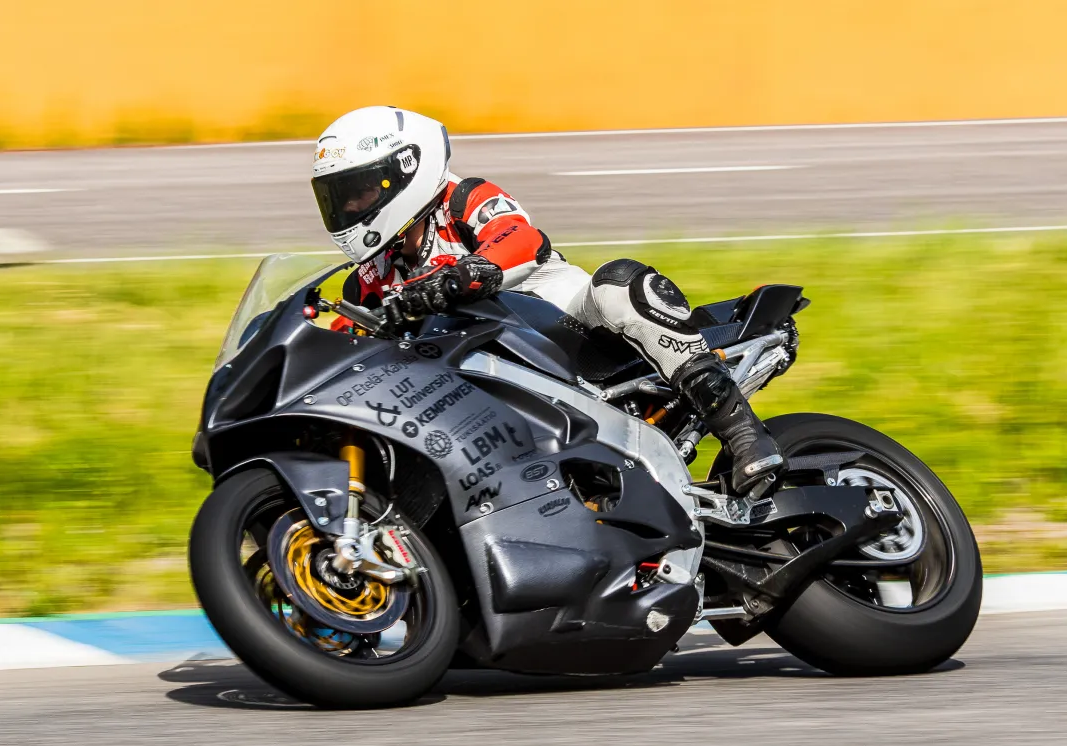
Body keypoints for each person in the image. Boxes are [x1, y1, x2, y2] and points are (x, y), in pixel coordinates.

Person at [310, 107, 781, 494]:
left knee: (619, 285)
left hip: (561, 322)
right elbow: (342, 339)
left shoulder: (462, 199)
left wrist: (463, 274)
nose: (349, 208)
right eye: (340, 199)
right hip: (478, 379)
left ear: (406, 170)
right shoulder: (370, 277)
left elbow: (521, 239)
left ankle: (744, 435)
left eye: (360, 192)